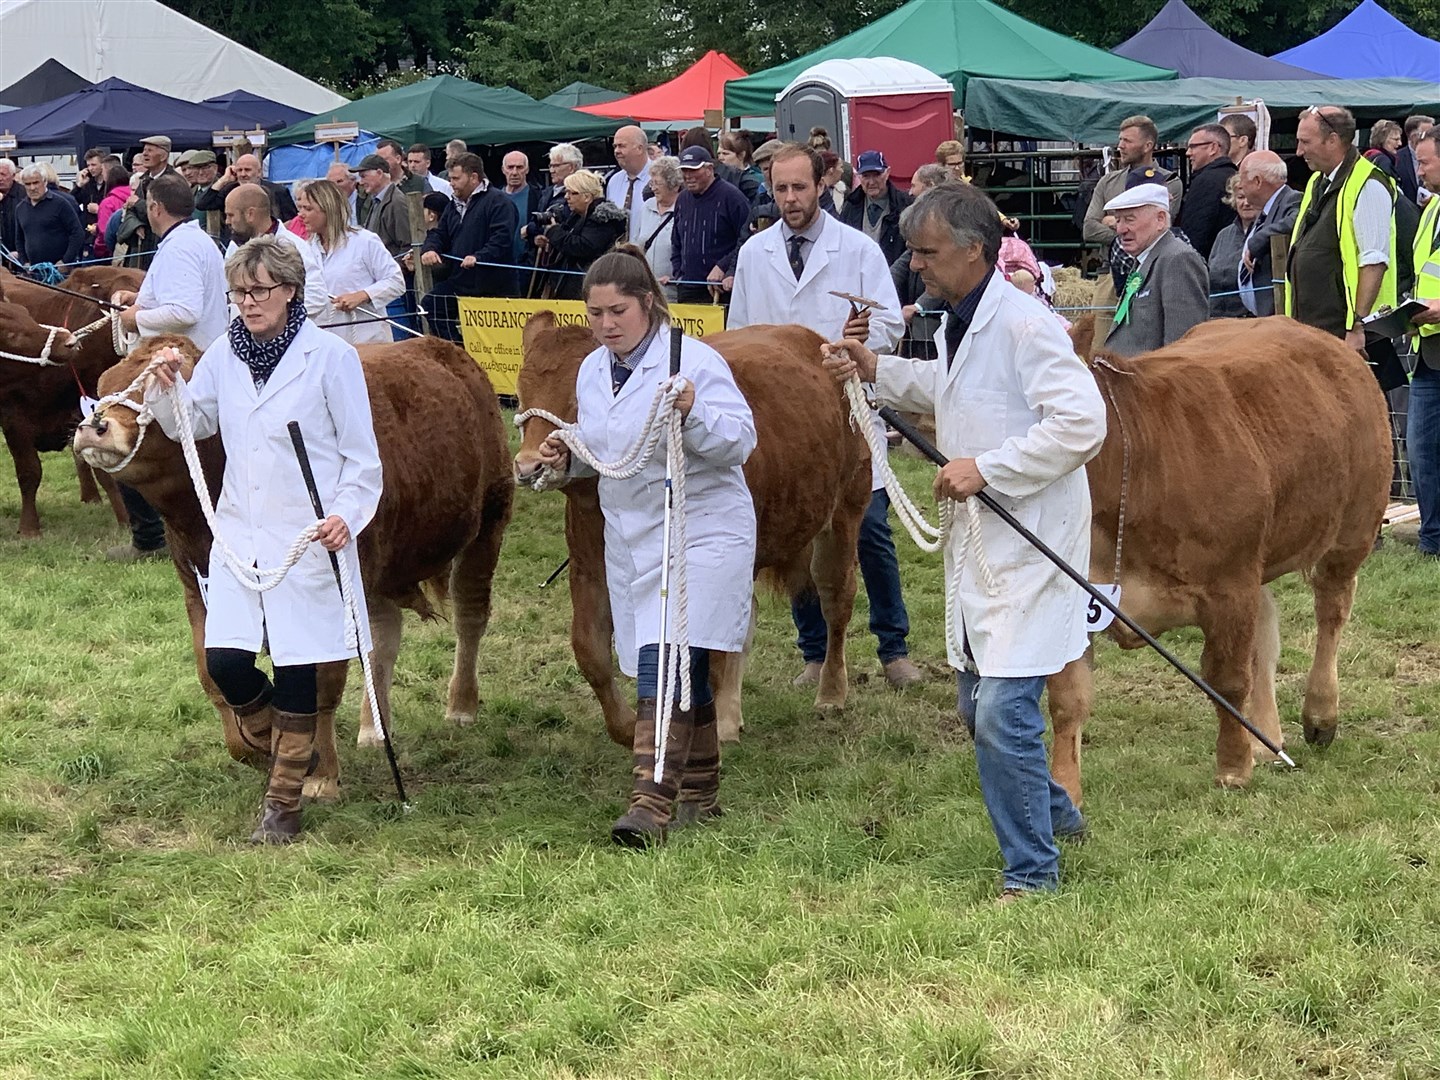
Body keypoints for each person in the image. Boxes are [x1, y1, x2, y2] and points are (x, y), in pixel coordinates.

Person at [820, 182, 1106, 901]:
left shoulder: (1025, 323)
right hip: (986, 534)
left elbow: (1082, 422)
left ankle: (1032, 875)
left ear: (974, 251)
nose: (915, 266)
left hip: (1031, 532)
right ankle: (1059, 814)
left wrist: (988, 467)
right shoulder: (959, 320)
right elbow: (957, 388)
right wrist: (878, 370)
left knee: (1003, 708)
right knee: (976, 699)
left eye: (927, 253)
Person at [144, 235, 382, 844]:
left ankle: (283, 806)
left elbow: (362, 460)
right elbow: (192, 424)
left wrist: (346, 517)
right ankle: (290, 743)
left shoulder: (331, 358)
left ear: (291, 292)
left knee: (300, 661)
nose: (248, 303)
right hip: (239, 534)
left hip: (307, 535)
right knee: (226, 661)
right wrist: (167, 385)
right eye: (239, 293)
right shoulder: (224, 354)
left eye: (260, 291)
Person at [536, 245, 756, 847]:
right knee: (676, 660)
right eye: (596, 312)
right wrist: (567, 451)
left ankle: (649, 802)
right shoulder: (590, 370)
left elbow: (739, 441)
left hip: (701, 527)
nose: (606, 324)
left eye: (618, 311)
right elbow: (609, 445)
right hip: (632, 535)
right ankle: (702, 791)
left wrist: (694, 412)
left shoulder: (693, 361)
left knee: (667, 657)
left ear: (649, 305)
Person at [729, 142, 922, 690]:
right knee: (794, 533)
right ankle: (814, 652)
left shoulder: (857, 250)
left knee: (872, 530)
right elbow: (741, 331)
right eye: (780, 189)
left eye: (799, 188)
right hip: (786, 419)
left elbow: (891, 326)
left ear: (823, 185)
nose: (789, 199)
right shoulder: (754, 254)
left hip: (848, 407)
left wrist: (863, 339)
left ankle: (893, 647)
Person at [108, 174, 228, 563]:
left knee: (125, 446)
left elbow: (185, 310)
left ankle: (149, 540)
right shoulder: (195, 241)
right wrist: (139, 297)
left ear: (155, 208)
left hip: (180, 365)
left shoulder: (179, 248)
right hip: (194, 359)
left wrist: (134, 319)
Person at [1286, 106, 1397, 355]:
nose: (1299, 151)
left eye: (1305, 142)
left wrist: (1357, 326)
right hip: (1320, 331)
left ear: (1333, 140)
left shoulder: (1368, 184)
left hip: (1353, 337)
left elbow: (1374, 261)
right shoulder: (1318, 181)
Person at [1101, 182, 1209, 356]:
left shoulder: (1178, 259)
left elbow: (1183, 346)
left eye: (1129, 219)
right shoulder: (1145, 259)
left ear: (1160, 219)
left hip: (1152, 380)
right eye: (1118, 220)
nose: (1120, 229)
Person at [420, 152, 519, 341]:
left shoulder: (499, 202)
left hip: (494, 285)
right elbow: (440, 234)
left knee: (495, 340)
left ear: (474, 177)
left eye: (456, 178)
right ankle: (458, 351)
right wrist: (430, 248)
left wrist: (479, 257)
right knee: (431, 305)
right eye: (450, 178)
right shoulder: (453, 205)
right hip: (461, 280)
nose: (451, 183)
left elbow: (502, 239)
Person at [296, 178, 405, 345]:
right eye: (300, 208)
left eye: (308, 209)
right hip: (325, 344)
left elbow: (396, 281)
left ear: (328, 209)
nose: (300, 214)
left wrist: (363, 295)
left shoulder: (364, 241)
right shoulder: (304, 250)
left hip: (368, 341)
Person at [224, 183, 328, 320]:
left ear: (250, 214)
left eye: (231, 215)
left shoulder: (294, 247)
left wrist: (275, 316)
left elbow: (317, 296)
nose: (227, 221)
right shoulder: (235, 247)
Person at [1407, 129, 1440, 559]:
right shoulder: (1431, 210)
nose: (1419, 170)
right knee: (1421, 451)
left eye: (1425, 161)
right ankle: (1432, 539)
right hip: (1428, 351)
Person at [1082, 116, 1184, 252]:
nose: (1120, 146)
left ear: (1147, 146)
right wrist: (1129, 236)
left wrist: (1111, 221)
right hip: (1109, 269)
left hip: (1153, 266)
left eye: (1127, 141)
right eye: (1120, 140)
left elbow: (1156, 231)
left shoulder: (1169, 182)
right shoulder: (1108, 181)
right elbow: (1089, 229)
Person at [668, 146, 751, 304]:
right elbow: (676, 241)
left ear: (709, 169)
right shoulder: (682, 199)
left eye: (694, 170)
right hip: (688, 289)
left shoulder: (732, 197)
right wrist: (679, 273)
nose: (688, 176)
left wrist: (723, 266)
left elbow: (748, 240)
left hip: (721, 290)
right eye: (684, 170)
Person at [891, 164, 956, 360]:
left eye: (914, 185)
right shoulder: (924, 220)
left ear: (929, 186)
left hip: (941, 321)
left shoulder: (951, 220)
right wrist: (883, 287)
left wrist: (919, 306)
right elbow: (904, 262)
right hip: (920, 326)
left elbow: (947, 269)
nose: (910, 192)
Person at [536, 169, 627, 301]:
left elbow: (583, 246)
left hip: (588, 285)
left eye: (572, 193)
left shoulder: (602, 219)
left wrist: (554, 232)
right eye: (565, 192)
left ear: (587, 197)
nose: (566, 197)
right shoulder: (577, 216)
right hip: (574, 284)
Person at [1236, 150, 1301, 318]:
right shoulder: (1264, 211)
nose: (1239, 185)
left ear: (1257, 181)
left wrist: (1258, 241)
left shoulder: (1292, 199)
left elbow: (1297, 220)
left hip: (1278, 316)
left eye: (1242, 178)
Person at [840, 150, 913, 266]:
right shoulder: (850, 206)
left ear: (887, 173)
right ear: (858, 177)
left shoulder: (905, 206)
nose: (871, 182)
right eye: (866, 176)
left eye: (876, 175)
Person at [116, 135, 181, 266]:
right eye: (144, 150)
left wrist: (138, 203)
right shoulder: (144, 180)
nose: (144, 154)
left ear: (163, 156)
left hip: (162, 244)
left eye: (150, 150)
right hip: (142, 247)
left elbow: (165, 214)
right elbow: (130, 210)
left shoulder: (173, 182)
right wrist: (136, 225)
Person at [1177, 123, 1238, 258]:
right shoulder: (1234, 176)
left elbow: (1194, 233)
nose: (1188, 153)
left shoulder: (1206, 181)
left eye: (1193, 146)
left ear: (1213, 148)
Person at [13, 164, 84, 269]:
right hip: (34, 271)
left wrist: (66, 261)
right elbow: (19, 239)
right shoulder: (20, 208)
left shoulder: (60, 204)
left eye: (36, 182)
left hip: (60, 270)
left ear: (45, 182)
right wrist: (24, 262)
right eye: (28, 184)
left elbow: (77, 233)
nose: (32, 187)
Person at [195, 152, 298, 225]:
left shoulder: (277, 191)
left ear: (259, 172)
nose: (243, 174)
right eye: (239, 170)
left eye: (247, 170)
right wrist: (224, 179)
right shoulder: (229, 190)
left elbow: (292, 220)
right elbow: (202, 204)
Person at [1208, 175, 1256, 318]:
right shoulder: (1223, 235)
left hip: (1251, 321)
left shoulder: (1267, 232)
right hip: (1216, 318)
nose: (1246, 203)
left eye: (1251, 197)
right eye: (1241, 197)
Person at [635, 155, 682, 300]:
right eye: (652, 183)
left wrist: (677, 275)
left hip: (673, 292)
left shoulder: (685, 209)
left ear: (674, 185)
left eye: (658, 183)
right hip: (645, 291)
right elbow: (637, 243)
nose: (653, 188)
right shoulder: (647, 206)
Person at [606, 125, 651, 242]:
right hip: (619, 254)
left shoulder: (659, 178)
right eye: (615, 146)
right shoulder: (613, 181)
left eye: (622, 146)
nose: (616, 151)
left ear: (640, 148)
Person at [92, 162, 132, 262]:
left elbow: (104, 232)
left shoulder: (108, 203)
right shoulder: (135, 197)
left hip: (111, 253)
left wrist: (98, 250)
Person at [73, 148, 106, 253]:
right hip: (88, 236)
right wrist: (79, 186)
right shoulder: (88, 184)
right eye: (88, 165)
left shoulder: (110, 184)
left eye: (94, 165)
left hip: (105, 235)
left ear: (102, 164)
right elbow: (71, 203)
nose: (91, 168)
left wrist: (99, 209)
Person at [718, 131, 766, 204]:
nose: (720, 158)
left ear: (741, 155)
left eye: (725, 153)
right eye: (719, 153)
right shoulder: (718, 177)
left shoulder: (758, 179)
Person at [1396, 115, 1434, 203]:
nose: (1432, 138)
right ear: (1413, 136)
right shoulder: (1396, 159)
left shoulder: (1436, 157)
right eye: (1427, 134)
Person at [0, 158, 20, 255]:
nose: (0, 178)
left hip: (19, 257)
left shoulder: (24, 196)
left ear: (13, 176)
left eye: (3, 174)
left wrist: (21, 252)